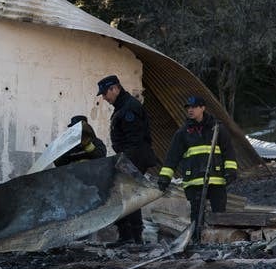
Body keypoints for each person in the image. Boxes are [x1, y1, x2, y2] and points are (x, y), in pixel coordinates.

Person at [157, 95, 238, 223]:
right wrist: (164, 177)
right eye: (188, 107)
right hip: (193, 182)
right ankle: (197, 239)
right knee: (196, 218)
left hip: (216, 180)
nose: (190, 110)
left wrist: (230, 171)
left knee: (219, 216)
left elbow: (228, 152)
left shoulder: (217, 129)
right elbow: (172, 157)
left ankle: (220, 241)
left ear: (203, 108)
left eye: (194, 107)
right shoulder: (182, 133)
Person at [97, 74, 158, 245]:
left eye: (105, 93)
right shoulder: (122, 105)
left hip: (135, 157)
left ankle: (133, 236)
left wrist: (125, 162)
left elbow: (135, 139)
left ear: (115, 89)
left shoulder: (129, 107)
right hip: (129, 156)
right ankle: (128, 236)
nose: (104, 98)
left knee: (129, 196)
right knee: (125, 195)